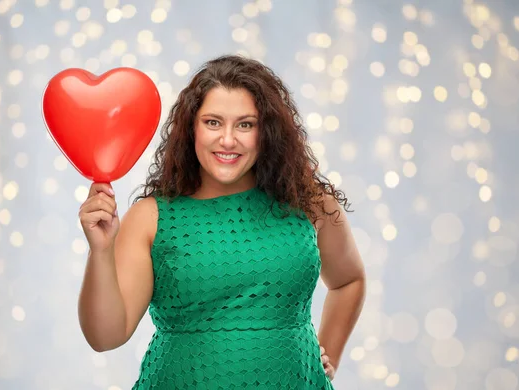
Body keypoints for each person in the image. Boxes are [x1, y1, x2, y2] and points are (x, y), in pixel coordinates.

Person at [77, 54, 366, 389]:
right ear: (191, 129)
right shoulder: (151, 217)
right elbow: (105, 336)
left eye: (245, 124)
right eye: (213, 122)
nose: (228, 140)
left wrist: (324, 355)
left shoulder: (309, 202)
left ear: (267, 131)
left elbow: (348, 281)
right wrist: (100, 251)